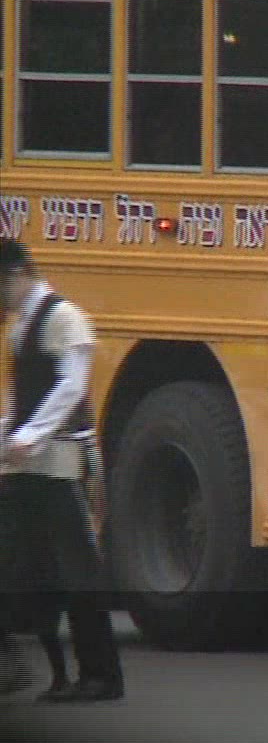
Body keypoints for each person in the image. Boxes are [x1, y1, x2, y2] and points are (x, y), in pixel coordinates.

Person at [0, 239, 123, 703]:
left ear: (17, 275)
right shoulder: (21, 327)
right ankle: (53, 672)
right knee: (29, 565)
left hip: (65, 462)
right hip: (31, 462)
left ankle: (100, 676)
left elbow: (71, 388)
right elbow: (22, 397)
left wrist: (29, 436)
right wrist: (10, 435)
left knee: (78, 573)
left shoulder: (64, 318)